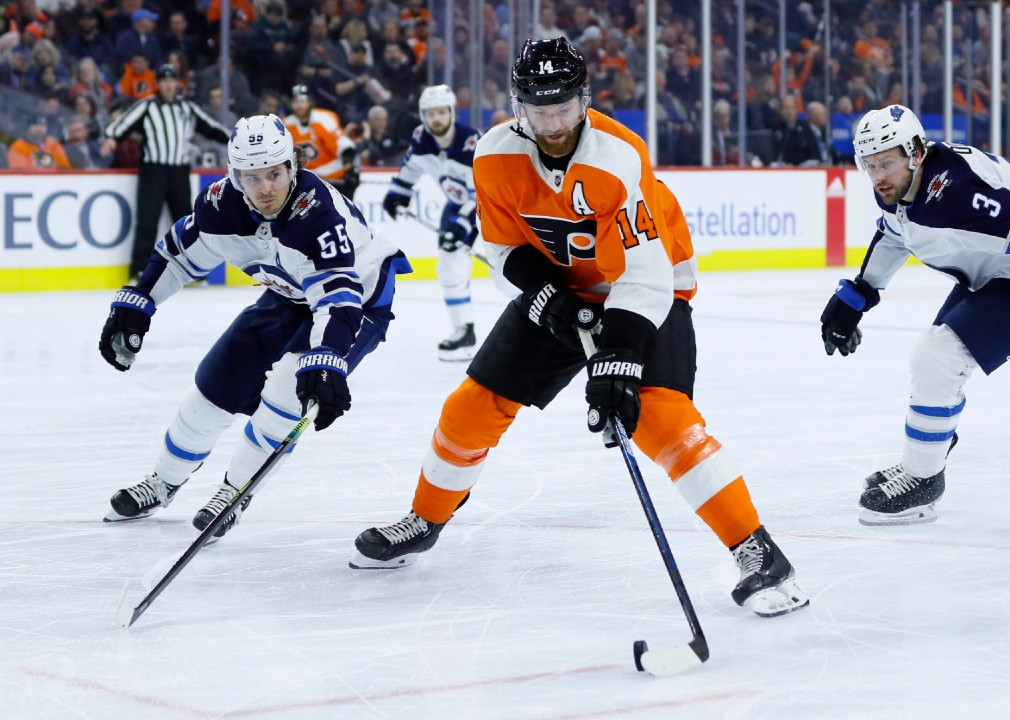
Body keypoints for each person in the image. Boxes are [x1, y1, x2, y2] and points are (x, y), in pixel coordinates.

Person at [351, 38, 809, 619]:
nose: (552, 123)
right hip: (564, 289)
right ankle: (424, 517)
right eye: (538, 111)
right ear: (519, 105)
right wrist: (551, 301)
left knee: (660, 416)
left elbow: (644, 274)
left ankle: (758, 550)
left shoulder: (618, 155)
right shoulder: (493, 155)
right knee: (472, 405)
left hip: (649, 290)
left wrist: (616, 362)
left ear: (583, 99)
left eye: (563, 108)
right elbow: (500, 246)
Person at [99, 114, 411, 538]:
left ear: (292, 167)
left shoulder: (316, 213)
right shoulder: (218, 206)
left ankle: (233, 491)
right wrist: (140, 302)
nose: (266, 188)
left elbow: (339, 299)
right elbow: (176, 254)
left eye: (275, 173)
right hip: (287, 294)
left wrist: (326, 359)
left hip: (359, 302)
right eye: (252, 177)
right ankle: (163, 481)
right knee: (216, 382)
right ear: (234, 176)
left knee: (287, 388)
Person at [820, 104, 1010, 526]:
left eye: (886, 162)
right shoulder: (904, 185)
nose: (877, 176)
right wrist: (861, 290)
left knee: (937, 357)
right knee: (936, 362)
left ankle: (923, 480)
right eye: (869, 164)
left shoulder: (963, 195)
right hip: (996, 270)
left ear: (915, 152)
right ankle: (923, 458)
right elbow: (895, 231)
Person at [381, 84, 483, 361]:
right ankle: (464, 330)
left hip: (490, 211)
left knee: (504, 274)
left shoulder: (472, 142)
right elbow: (411, 169)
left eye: (441, 112)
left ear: (452, 112)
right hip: (454, 209)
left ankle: (544, 323)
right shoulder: (422, 138)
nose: (436, 118)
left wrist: (463, 225)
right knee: (449, 269)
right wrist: (397, 194)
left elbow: (487, 193)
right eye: (430, 113)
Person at [103, 63, 231, 278]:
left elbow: (210, 127)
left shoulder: (186, 108)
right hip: (154, 170)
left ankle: (194, 267)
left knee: (186, 220)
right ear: (159, 84)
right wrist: (112, 136)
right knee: (147, 219)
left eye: (172, 81)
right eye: (164, 81)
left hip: (179, 170)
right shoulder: (147, 106)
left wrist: (234, 139)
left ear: (177, 84)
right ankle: (139, 267)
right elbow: (125, 122)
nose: (169, 86)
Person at [284, 84, 361, 200]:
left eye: (302, 101)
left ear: (310, 102)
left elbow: (343, 146)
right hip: (308, 184)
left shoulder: (323, 119)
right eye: (295, 101)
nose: (299, 105)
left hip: (336, 181)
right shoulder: (287, 125)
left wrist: (349, 168)